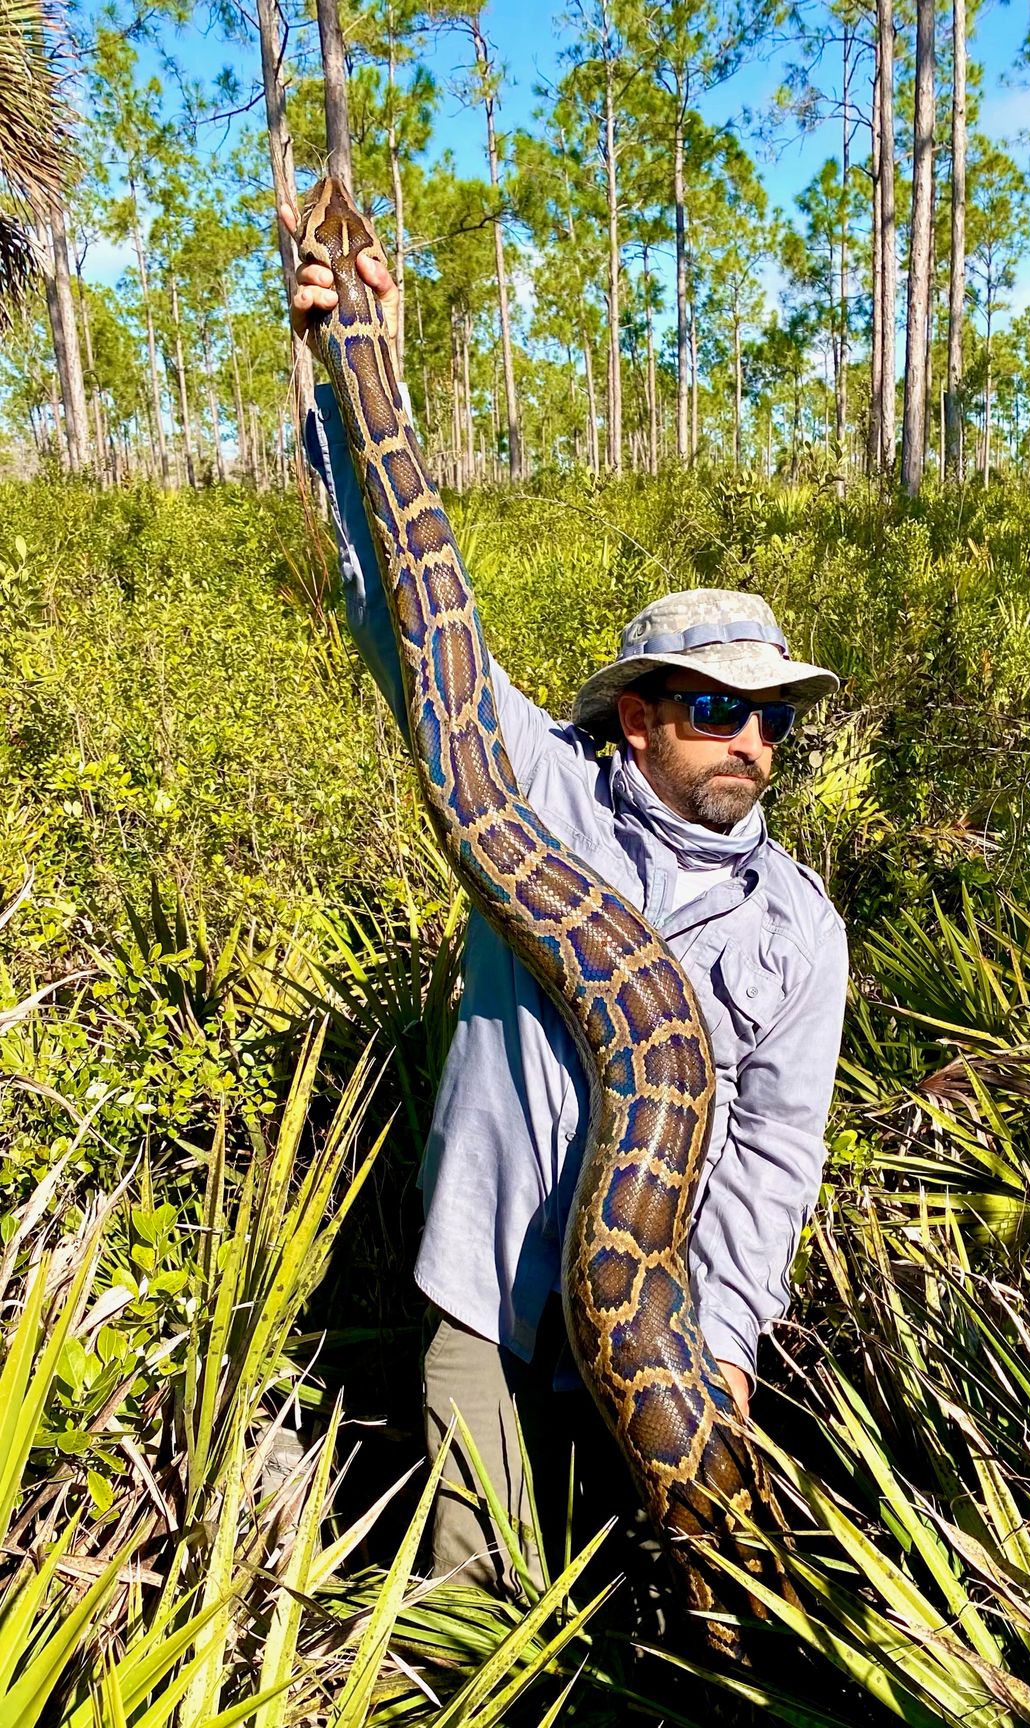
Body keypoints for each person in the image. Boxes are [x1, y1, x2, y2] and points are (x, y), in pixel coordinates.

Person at [285, 210, 849, 1598]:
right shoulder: (536, 788)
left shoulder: (798, 930)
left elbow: (772, 1163)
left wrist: (712, 1356)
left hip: (660, 1335)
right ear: (640, 716)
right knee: (480, 1607)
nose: (753, 744)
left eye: (774, 721)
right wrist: (360, 373)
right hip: (485, 1288)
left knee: (666, 1618)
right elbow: (409, 605)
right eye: (720, 709)